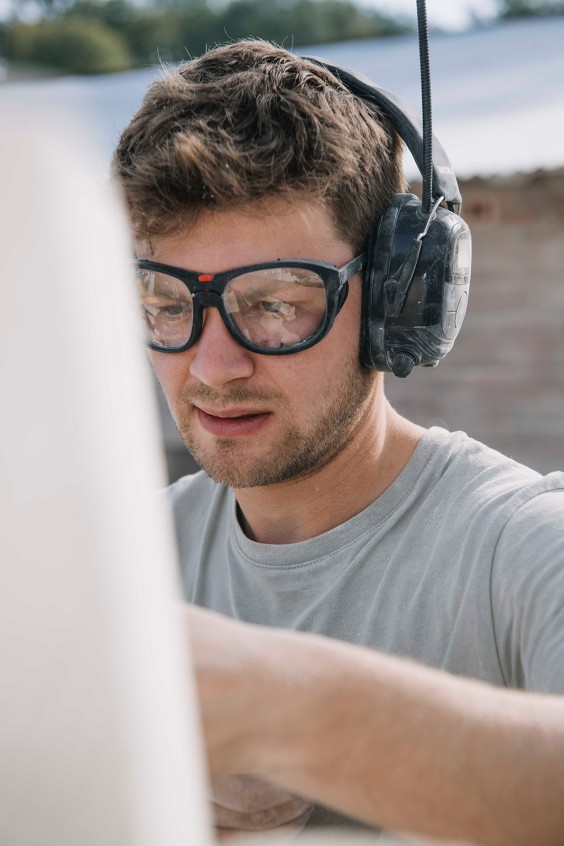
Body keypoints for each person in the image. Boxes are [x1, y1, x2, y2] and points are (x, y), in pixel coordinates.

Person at [113, 39, 564, 844]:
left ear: (401, 300)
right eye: (166, 301)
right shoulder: (117, 564)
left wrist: (282, 710)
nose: (212, 366)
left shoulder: (523, 548)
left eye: (277, 303)